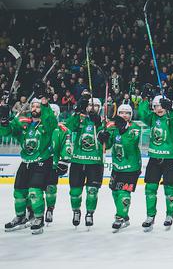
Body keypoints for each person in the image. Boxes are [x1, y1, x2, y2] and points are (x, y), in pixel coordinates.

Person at [1, 90, 57, 235]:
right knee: (19, 192)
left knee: (34, 191)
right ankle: (21, 217)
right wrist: (4, 121)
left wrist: (45, 102)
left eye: (38, 107)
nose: (35, 109)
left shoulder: (47, 124)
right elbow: (6, 132)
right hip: (25, 162)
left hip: (41, 162)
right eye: (33, 106)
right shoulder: (23, 123)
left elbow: (51, 119)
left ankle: (39, 218)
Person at [138, 86, 173, 231]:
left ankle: (169, 215)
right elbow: (141, 113)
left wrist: (172, 107)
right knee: (150, 188)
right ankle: (150, 215)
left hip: (171, 159)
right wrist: (144, 99)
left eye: (161, 105)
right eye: (156, 106)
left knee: (170, 188)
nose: (159, 108)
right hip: (154, 158)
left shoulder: (171, 117)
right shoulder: (151, 118)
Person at [65, 93, 106, 228]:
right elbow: (69, 126)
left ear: (100, 108)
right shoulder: (80, 119)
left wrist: (99, 124)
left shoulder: (105, 121)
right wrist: (77, 111)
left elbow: (107, 141)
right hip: (77, 161)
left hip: (95, 163)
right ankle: (76, 211)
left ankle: (90, 213)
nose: (91, 108)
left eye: (95, 106)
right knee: (75, 192)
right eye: (89, 105)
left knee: (92, 191)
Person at [101, 104, 141, 231]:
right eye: (122, 113)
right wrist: (103, 138)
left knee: (124, 192)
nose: (124, 115)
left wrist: (123, 129)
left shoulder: (135, 127)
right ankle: (125, 216)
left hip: (131, 167)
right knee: (115, 191)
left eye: (127, 113)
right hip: (117, 167)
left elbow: (130, 144)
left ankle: (119, 217)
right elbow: (107, 146)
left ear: (131, 115)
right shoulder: (113, 127)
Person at [45, 103, 68, 224]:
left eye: (53, 112)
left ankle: (50, 209)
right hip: (36, 163)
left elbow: (65, 145)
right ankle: (31, 211)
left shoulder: (62, 129)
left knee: (51, 188)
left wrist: (64, 160)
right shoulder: (36, 126)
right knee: (30, 189)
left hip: (52, 164)